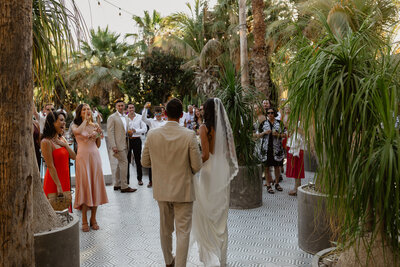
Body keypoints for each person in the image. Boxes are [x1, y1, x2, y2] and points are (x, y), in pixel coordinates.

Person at [141, 98, 202, 267]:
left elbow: (144, 163)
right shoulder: (189, 135)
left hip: (162, 191)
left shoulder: (153, 134)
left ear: (165, 113)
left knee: (165, 230)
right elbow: (197, 166)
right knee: (183, 232)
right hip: (183, 190)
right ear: (182, 115)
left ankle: (169, 262)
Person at [191, 98, 238, 267]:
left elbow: (204, 155)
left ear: (208, 111)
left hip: (209, 170)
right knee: (221, 214)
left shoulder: (204, 128)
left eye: (203, 108)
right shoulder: (225, 128)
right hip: (222, 169)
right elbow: (230, 152)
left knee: (207, 211)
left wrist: (192, 167)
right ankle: (222, 258)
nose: (201, 111)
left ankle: (208, 253)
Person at [71, 104, 109, 232]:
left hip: (95, 157)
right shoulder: (75, 125)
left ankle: (93, 218)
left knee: (95, 185)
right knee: (85, 185)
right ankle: (84, 219)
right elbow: (78, 132)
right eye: (84, 109)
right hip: (82, 157)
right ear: (80, 112)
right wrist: (86, 121)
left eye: (88, 109)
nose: (87, 111)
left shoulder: (95, 126)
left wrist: (98, 135)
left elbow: (98, 145)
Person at [41, 111, 76, 208]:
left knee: (64, 211)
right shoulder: (46, 142)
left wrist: (65, 145)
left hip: (65, 180)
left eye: (64, 120)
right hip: (54, 182)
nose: (64, 123)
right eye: (61, 120)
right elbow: (50, 166)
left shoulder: (62, 139)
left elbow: (74, 156)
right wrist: (58, 185)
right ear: (52, 123)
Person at [107, 100, 137, 193]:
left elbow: (125, 130)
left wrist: (131, 132)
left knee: (120, 165)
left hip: (126, 143)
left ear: (124, 106)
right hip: (118, 145)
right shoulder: (112, 117)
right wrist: (113, 146)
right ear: (116, 107)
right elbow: (110, 132)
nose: (120, 107)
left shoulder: (126, 117)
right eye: (119, 105)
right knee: (124, 163)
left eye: (122, 105)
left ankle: (117, 184)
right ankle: (124, 186)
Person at [256, 107, 287, 194]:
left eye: (272, 113)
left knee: (277, 167)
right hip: (266, 149)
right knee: (266, 167)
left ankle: (277, 183)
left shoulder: (279, 123)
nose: (270, 114)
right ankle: (268, 185)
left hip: (277, 149)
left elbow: (286, 134)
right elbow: (257, 135)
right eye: (268, 113)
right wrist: (264, 133)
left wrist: (278, 135)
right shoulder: (263, 124)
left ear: (275, 114)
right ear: (266, 114)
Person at [126, 103, 147, 186]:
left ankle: (140, 179)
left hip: (137, 140)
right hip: (127, 140)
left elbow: (144, 129)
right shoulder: (125, 118)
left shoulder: (139, 117)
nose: (131, 109)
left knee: (138, 160)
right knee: (127, 161)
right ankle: (127, 180)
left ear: (134, 108)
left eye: (132, 107)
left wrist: (136, 131)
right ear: (127, 109)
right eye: (129, 108)